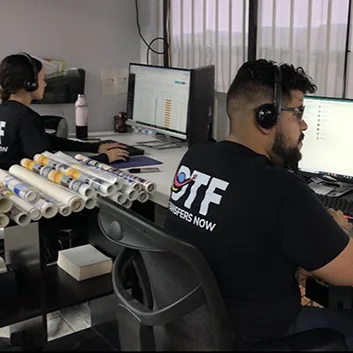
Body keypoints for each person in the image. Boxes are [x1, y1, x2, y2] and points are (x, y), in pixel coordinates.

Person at [164, 59, 353, 349]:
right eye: (298, 112)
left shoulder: (196, 159)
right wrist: (338, 230)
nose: (303, 125)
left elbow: (243, 235)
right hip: (260, 337)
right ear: (266, 117)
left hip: (194, 327)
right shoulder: (280, 189)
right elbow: (347, 271)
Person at [0, 52, 129, 170]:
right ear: (30, 84)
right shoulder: (26, 118)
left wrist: (95, 147)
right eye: (43, 79)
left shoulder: (6, 112)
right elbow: (51, 166)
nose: (45, 84)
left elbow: (46, 140)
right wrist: (105, 158)